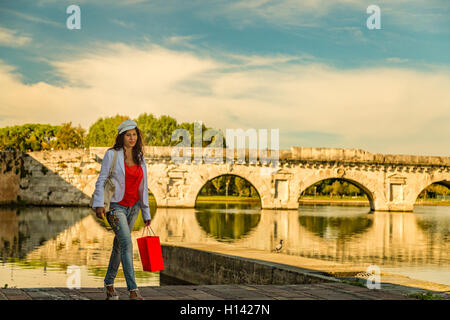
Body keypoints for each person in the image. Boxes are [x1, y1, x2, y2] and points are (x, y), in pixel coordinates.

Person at [91, 119, 151, 300]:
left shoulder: (140, 157)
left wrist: (146, 212)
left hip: (133, 208)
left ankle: (109, 284)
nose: (132, 138)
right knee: (126, 244)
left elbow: (144, 186)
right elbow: (101, 180)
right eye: (128, 135)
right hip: (116, 207)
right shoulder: (112, 155)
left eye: (134, 134)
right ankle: (133, 290)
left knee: (119, 246)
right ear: (121, 137)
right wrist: (99, 203)